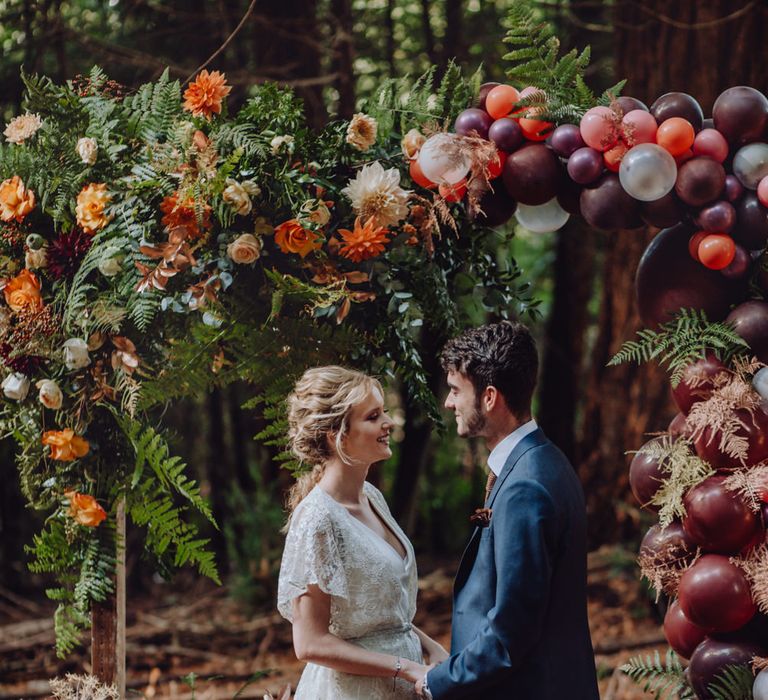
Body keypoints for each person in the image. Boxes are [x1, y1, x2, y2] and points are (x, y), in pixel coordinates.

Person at [417, 321, 599, 700]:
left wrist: (439, 682)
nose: (449, 403)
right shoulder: (544, 460)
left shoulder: (524, 486)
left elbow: (512, 630)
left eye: (455, 391)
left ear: (489, 397)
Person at [277, 366, 447, 699]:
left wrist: (431, 648)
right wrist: (404, 667)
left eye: (384, 412)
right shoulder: (317, 519)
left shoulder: (372, 498)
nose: (388, 423)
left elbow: (380, 613)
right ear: (336, 434)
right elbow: (309, 642)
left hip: (405, 683)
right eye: (373, 417)